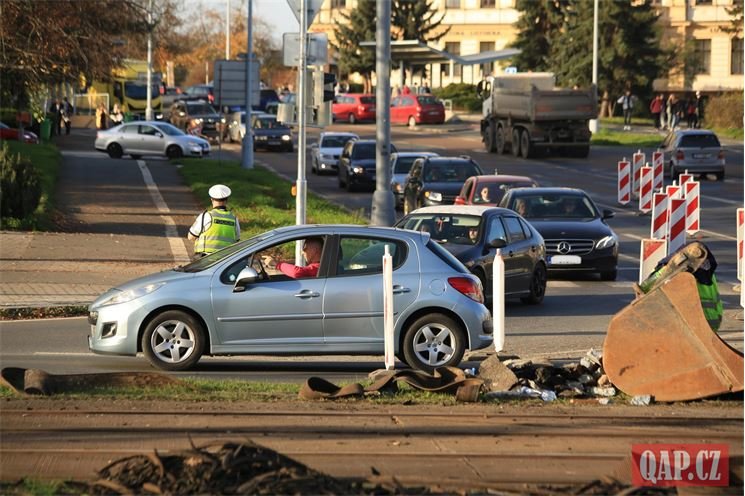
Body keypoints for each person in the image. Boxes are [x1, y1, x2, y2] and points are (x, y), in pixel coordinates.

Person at [187, 184, 240, 259]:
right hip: (225, 261)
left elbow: (191, 237)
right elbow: (237, 239)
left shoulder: (206, 216)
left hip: (204, 259)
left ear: (211, 199)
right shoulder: (234, 219)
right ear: (227, 200)